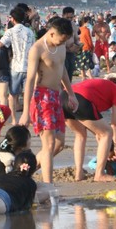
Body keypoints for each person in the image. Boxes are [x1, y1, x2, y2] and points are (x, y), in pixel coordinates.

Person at [18, 17, 78, 184]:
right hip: (41, 97)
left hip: (56, 95)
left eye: (66, 39)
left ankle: (26, 171)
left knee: (59, 143)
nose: (64, 42)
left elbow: (62, 69)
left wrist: (71, 93)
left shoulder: (61, 46)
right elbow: (29, 80)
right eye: (62, 39)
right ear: (52, 33)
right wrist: (25, 113)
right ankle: (48, 186)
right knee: (49, 144)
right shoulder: (37, 49)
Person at [61, 78, 116, 182]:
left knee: (80, 135)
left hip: (64, 96)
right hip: (80, 99)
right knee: (107, 132)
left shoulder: (100, 86)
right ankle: (99, 174)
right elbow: (115, 124)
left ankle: (79, 173)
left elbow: (94, 123)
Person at [0, 7, 35, 125]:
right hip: (29, 67)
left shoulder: (10, 31)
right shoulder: (29, 31)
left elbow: (0, 44)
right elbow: (34, 48)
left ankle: (14, 120)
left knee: (12, 96)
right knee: (28, 95)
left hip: (16, 67)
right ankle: (27, 117)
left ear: (13, 19)